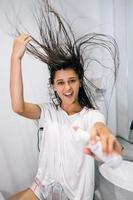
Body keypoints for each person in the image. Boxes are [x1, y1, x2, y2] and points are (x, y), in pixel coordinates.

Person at [8, 1, 122, 200]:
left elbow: (98, 126)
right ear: (53, 86)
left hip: (74, 196)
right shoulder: (48, 112)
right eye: (60, 83)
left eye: (72, 81)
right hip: (43, 187)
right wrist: (15, 59)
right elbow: (18, 107)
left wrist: (103, 135)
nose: (67, 88)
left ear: (79, 82)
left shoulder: (91, 115)